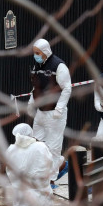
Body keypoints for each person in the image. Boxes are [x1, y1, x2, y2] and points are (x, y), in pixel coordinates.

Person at [28, 39, 71, 186]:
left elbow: (67, 88)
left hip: (54, 113)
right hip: (40, 112)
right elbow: (35, 87)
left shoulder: (59, 66)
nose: (35, 55)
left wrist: (59, 109)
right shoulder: (36, 65)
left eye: (38, 53)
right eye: (34, 53)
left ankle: (51, 179)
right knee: (35, 144)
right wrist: (31, 102)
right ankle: (45, 173)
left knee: (53, 147)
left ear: (45, 51)